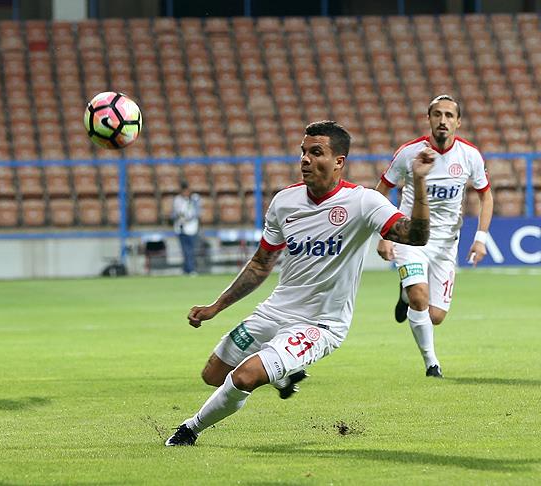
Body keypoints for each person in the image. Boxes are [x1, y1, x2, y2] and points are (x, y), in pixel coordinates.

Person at [165, 120, 433, 447]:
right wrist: (216, 307)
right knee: (213, 375)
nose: (305, 159)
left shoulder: (363, 202)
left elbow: (416, 236)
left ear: (339, 161)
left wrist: (419, 181)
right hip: (275, 311)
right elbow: (261, 263)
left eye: (316, 152)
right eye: (303, 152)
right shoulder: (284, 202)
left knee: (244, 377)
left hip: (321, 323)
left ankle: (188, 430)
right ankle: (283, 375)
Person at [375, 95, 493, 378]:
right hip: (410, 236)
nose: (443, 120)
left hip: (445, 243)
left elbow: (486, 196)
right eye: (437, 114)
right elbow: (382, 190)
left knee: (435, 316)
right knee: (420, 297)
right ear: (428, 119)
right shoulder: (409, 152)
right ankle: (432, 364)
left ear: (458, 122)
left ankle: (405, 294)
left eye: (449, 115)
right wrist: (385, 234)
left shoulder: (469, 155)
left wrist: (481, 238)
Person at [172, 181, 201, 275]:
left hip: (192, 228)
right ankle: (186, 269)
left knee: (191, 250)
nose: (186, 193)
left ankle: (191, 269)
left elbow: (197, 212)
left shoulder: (194, 198)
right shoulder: (177, 200)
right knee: (185, 250)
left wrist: (188, 218)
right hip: (181, 228)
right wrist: (178, 216)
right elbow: (174, 214)